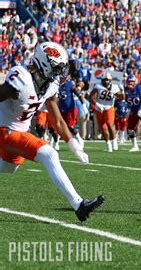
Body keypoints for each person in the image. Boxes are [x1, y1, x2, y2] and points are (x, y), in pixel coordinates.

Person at [0, 41, 103, 221]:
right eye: (57, 68)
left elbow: (57, 120)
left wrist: (74, 146)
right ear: (44, 64)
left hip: (19, 134)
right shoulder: (21, 77)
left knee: (9, 167)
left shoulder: (50, 85)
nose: (61, 73)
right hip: (5, 130)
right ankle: (79, 204)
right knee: (49, 154)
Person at [88, 72, 120, 152]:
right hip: (100, 108)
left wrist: (120, 93)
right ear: (102, 80)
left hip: (109, 107)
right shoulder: (97, 86)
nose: (106, 81)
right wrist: (96, 104)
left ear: (110, 80)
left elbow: (121, 97)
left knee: (109, 124)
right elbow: (90, 97)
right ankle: (108, 144)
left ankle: (114, 141)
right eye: (104, 80)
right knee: (103, 127)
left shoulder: (115, 87)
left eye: (108, 80)